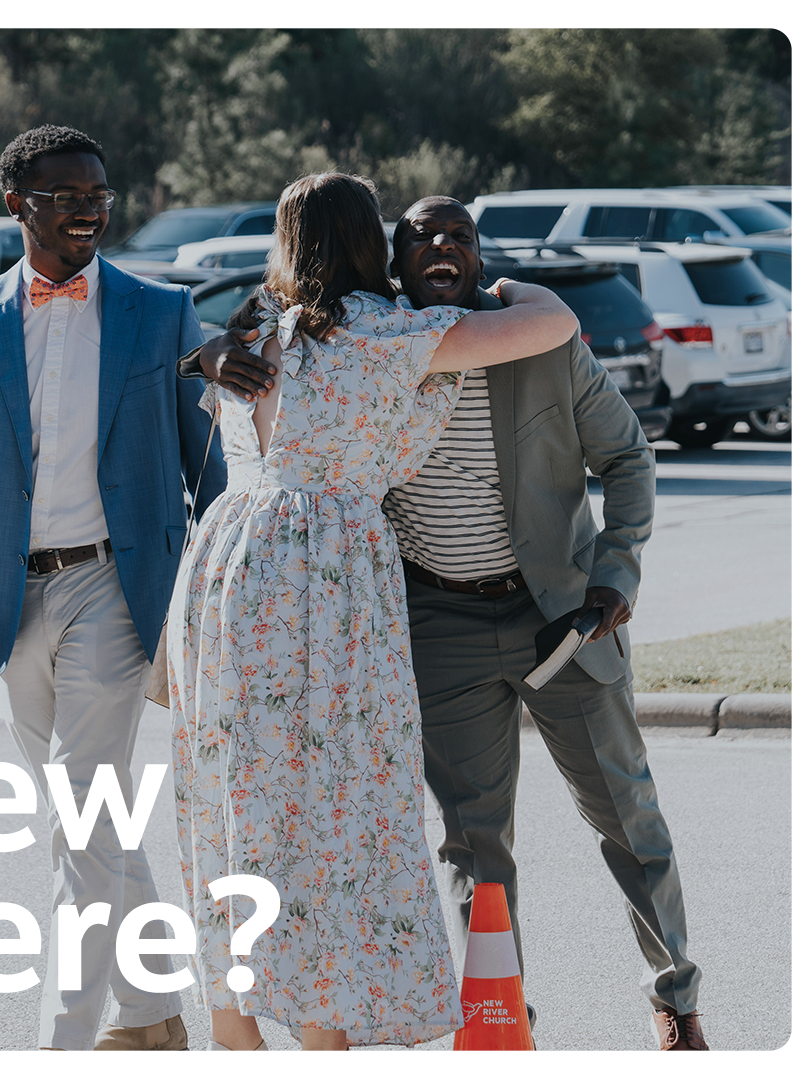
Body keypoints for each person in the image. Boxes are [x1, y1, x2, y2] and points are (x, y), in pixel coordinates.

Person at [195, 195, 709, 1052]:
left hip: (564, 616)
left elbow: (627, 459)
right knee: (473, 843)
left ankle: (677, 1001)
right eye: (419, 236)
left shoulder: (537, 347)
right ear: (391, 265)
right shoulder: (373, 340)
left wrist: (616, 577)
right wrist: (208, 352)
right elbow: (268, 340)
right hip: (437, 619)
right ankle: (500, 1023)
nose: (442, 245)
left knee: (629, 820)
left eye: (458, 234)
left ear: (478, 254)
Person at [169, 173, 578, 1050]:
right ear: (367, 242)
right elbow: (555, 323)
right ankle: (325, 1035)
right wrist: (504, 284)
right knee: (341, 804)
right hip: (329, 577)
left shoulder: (249, 333)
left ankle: (233, 1028)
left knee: (236, 798)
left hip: (228, 563)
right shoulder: (386, 335)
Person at [0, 124, 226, 1052]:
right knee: (82, 820)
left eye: (100, 194)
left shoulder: (161, 313)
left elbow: (206, 463)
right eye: (66, 195)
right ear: (18, 203)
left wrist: (218, 592)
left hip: (118, 591)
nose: (89, 208)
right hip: (11, 604)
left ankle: (64, 1041)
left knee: (83, 810)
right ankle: (153, 1014)